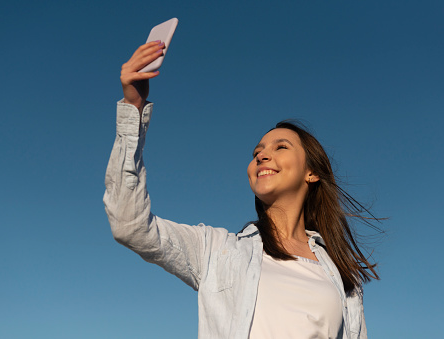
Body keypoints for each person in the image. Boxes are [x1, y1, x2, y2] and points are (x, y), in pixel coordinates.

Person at [104, 41, 380, 339]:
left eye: (281, 147)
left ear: (311, 172)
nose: (261, 155)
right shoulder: (216, 251)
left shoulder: (341, 275)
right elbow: (129, 226)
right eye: (256, 151)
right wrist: (133, 109)